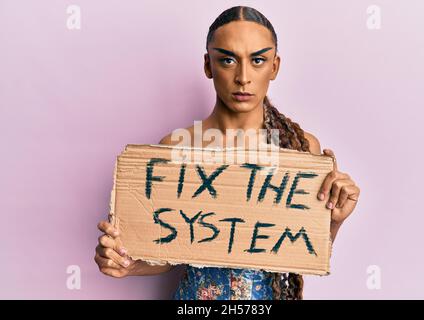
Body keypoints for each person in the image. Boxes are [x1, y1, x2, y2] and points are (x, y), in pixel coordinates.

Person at [94, 5, 360, 300]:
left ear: (274, 66)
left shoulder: (298, 149)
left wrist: (334, 221)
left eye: (258, 60)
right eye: (228, 60)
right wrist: (125, 263)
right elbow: (168, 249)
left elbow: (300, 249)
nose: (243, 76)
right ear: (209, 65)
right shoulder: (177, 147)